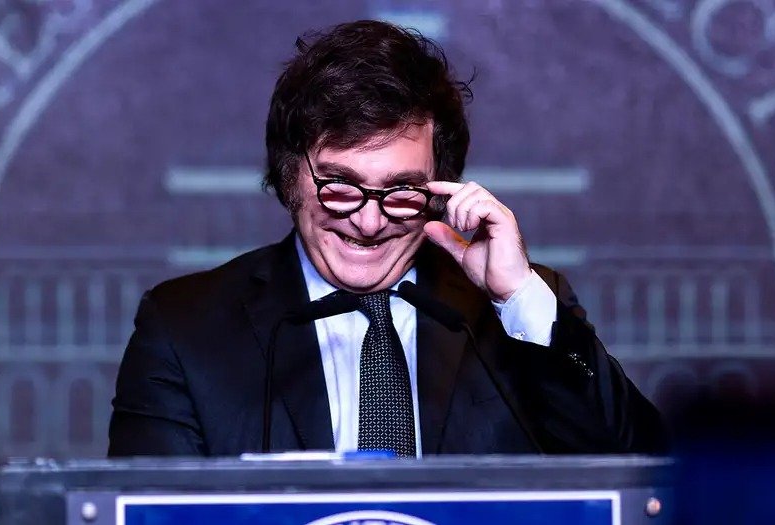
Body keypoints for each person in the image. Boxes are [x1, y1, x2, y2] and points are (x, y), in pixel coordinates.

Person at [108, 20, 666, 457]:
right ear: (289, 175)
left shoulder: (517, 311)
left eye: (401, 191)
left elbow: (648, 478)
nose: (370, 223)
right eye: (340, 186)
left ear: (440, 189)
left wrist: (516, 296)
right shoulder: (183, 329)